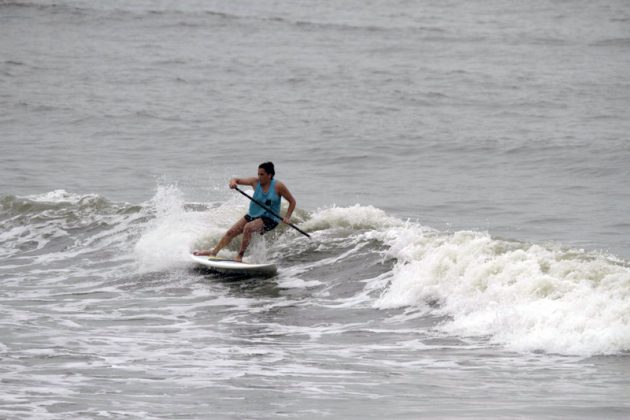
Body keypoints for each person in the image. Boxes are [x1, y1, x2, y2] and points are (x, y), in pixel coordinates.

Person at [194, 162, 297, 262]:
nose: (259, 176)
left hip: (270, 219)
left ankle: (240, 255)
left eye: (262, 174)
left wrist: (287, 217)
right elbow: (236, 179)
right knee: (230, 232)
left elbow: (292, 201)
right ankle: (213, 252)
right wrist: (232, 183)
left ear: (270, 175)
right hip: (254, 215)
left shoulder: (278, 186)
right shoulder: (255, 182)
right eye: (258, 174)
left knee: (248, 227)